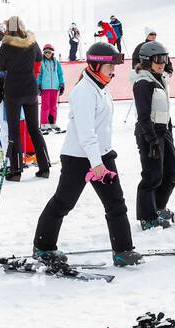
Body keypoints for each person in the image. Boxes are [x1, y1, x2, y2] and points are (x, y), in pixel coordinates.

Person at [32, 42, 140, 267]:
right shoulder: (84, 92)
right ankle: (43, 247)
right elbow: (85, 132)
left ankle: (123, 251)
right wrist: (96, 163)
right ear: (96, 65)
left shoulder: (101, 86)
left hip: (101, 155)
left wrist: (102, 157)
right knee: (64, 202)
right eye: (110, 65)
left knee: (116, 204)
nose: (113, 70)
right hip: (78, 158)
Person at [0, 15, 50, 181]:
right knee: (34, 130)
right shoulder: (32, 42)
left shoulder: (7, 46)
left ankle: (16, 172)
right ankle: (44, 167)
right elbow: (39, 58)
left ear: (8, 28)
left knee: (14, 132)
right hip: (30, 90)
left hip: (13, 92)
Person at [131, 39, 175, 229]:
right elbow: (143, 116)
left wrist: (169, 133)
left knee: (171, 170)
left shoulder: (160, 78)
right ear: (147, 60)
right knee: (152, 175)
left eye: (165, 59)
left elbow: (164, 109)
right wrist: (151, 140)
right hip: (148, 133)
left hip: (163, 131)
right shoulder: (143, 83)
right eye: (158, 59)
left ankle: (158, 207)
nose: (163, 63)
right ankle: (147, 216)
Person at [38, 43, 65, 127]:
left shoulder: (56, 63)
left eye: (49, 52)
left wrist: (62, 84)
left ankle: (52, 122)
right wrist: (38, 85)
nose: (47, 54)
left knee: (53, 106)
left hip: (55, 87)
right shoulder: (42, 63)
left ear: (52, 53)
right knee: (45, 106)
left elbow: (60, 74)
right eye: (45, 52)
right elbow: (39, 74)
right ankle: (44, 123)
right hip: (45, 87)